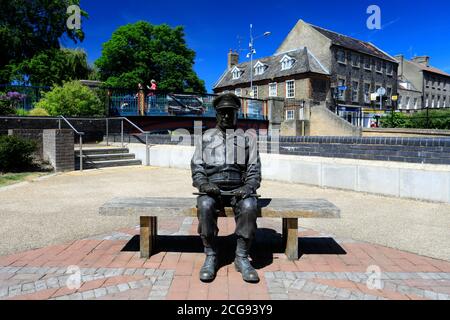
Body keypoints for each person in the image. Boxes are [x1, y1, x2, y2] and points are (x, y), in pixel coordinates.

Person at [191, 93, 261, 283]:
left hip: (239, 189)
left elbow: (254, 170)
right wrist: (204, 184)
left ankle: (241, 257)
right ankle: (211, 255)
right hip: (212, 189)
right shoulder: (205, 138)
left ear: (237, 114)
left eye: (231, 112)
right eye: (222, 113)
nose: (226, 117)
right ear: (216, 115)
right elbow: (197, 168)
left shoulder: (247, 140)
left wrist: (248, 186)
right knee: (205, 205)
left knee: (249, 207)